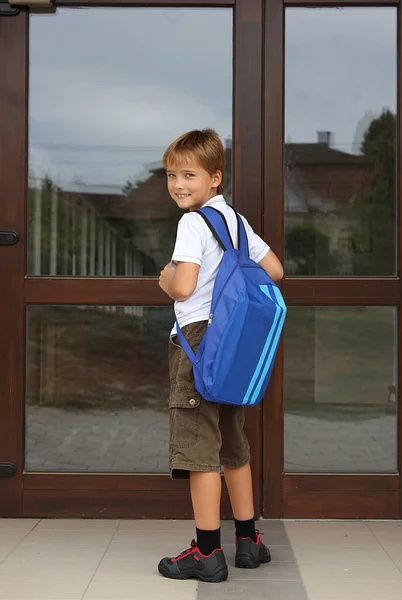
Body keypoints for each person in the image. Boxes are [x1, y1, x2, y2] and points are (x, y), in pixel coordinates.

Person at [157, 129, 284, 583]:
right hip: (232, 345)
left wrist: (165, 278)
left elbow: (185, 286)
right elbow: (275, 271)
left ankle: (207, 552)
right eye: (172, 174)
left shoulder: (192, 223)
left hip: (197, 344)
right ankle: (249, 541)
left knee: (197, 448)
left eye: (189, 175)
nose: (178, 185)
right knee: (232, 444)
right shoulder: (235, 221)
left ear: (215, 177)